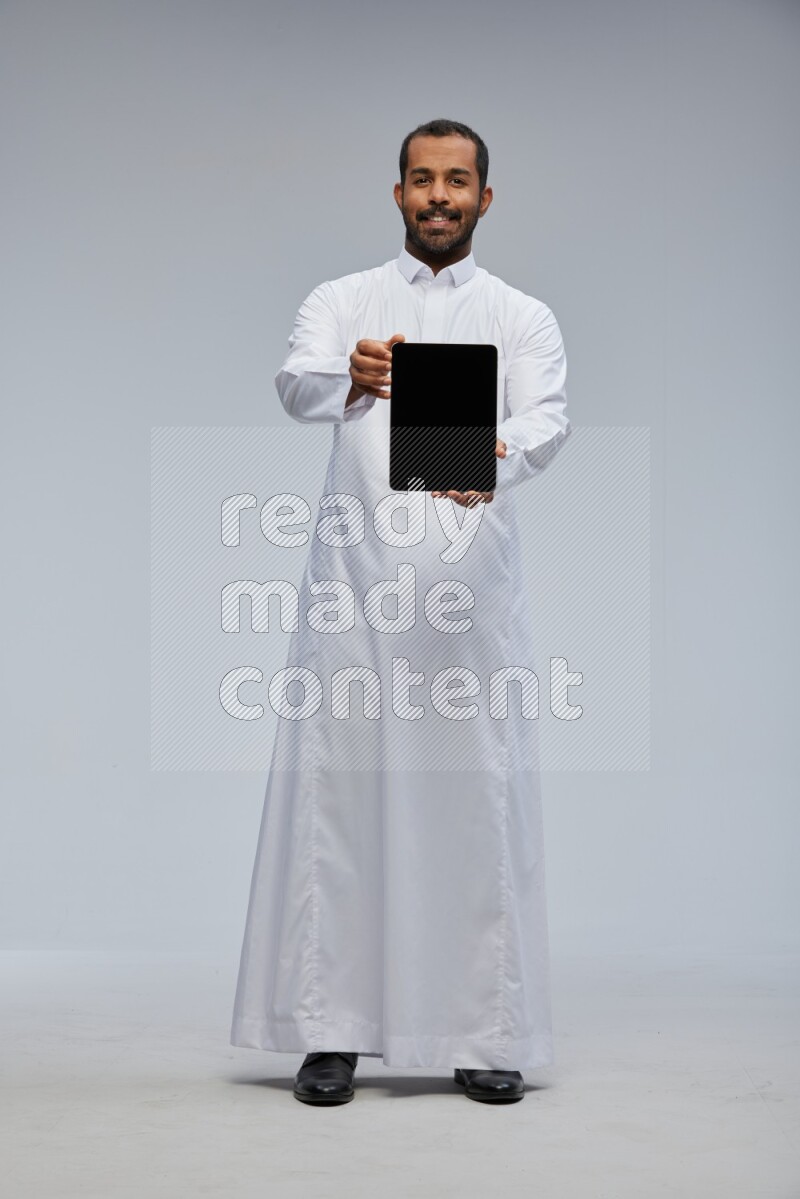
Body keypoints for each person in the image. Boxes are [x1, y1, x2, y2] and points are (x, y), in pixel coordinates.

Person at [231, 117, 572, 1106]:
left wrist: (497, 455)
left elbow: (545, 413)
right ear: (395, 194)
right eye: (420, 180)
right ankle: (329, 1030)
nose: (437, 196)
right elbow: (293, 381)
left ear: (483, 198)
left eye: (455, 181)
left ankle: (482, 1028)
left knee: (474, 801)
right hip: (353, 595)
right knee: (341, 802)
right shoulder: (343, 302)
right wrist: (352, 373)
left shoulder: (520, 314)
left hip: (469, 599)